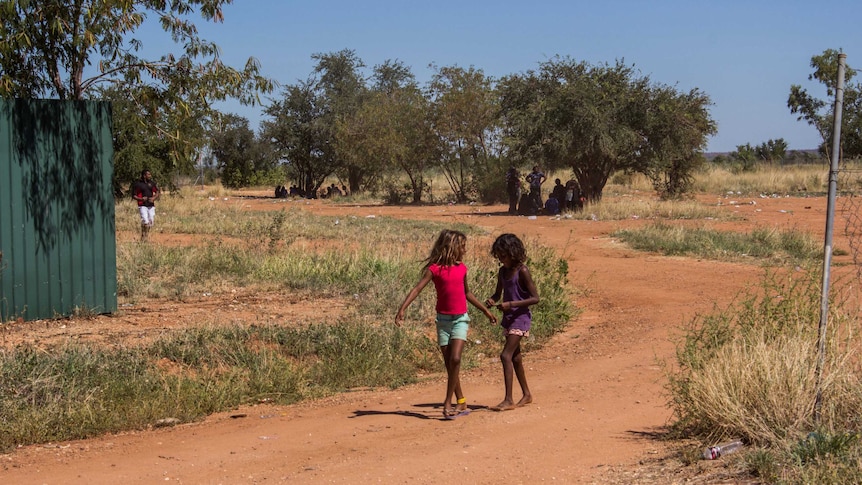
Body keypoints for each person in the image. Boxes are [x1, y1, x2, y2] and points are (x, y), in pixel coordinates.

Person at [396, 229, 497, 419]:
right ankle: (461, 402)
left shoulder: (462, 269)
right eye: (462, 246)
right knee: (450, 364)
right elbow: (417, 288)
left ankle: (448, 401)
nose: (465, 250)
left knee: (456, 359)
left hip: (460, 319)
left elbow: (467, 293)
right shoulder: (434, 269)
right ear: (452, 247)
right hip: (442, 321)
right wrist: (402, 308)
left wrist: (485, 311)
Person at [484, 233, 539, 411]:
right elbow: (497, 294)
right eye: (499, 256)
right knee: (515, 357)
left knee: (505, 355)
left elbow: (535, 298)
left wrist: (512, 304)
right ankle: (527, 394)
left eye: (504, 255)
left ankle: (508, 399)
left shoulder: (522, 271)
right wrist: (492, 300)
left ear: (513, 253)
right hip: (509, 318)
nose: (501, 259)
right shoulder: (502, 272)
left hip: (520, 318)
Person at [132, 169, 160, 241]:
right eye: (148, 174)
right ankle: (144, 237)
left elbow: (157, 192)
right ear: (144, 175)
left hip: (151, 205)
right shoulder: (138, 184)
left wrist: (154, 198)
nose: (150, 176)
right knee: (145, 221)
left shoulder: (151, 183)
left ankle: (145, 234)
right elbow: (134, 195)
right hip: (142, 205)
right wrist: (141, 199)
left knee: (151, 221)